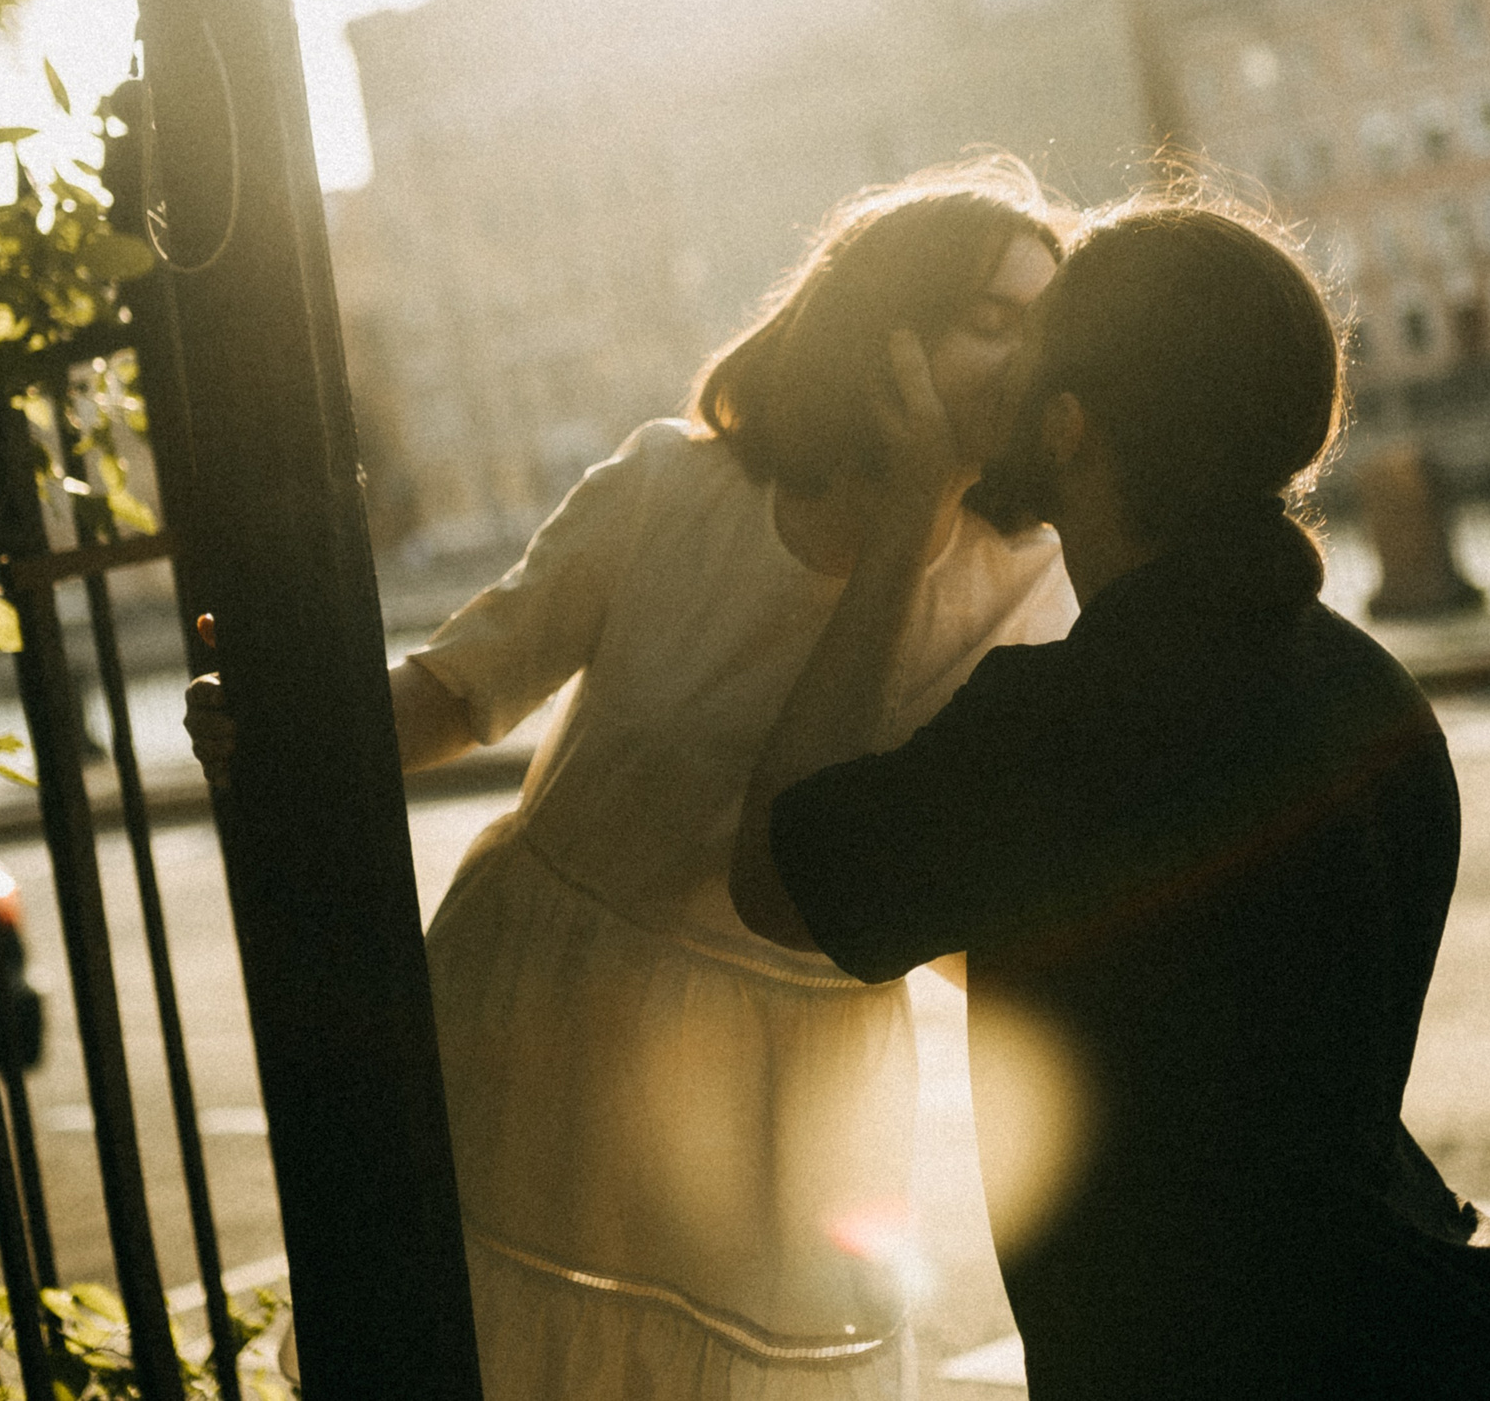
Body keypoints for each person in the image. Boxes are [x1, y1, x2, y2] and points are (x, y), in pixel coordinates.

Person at [188, 159, 1079, 1399]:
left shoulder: (1031, 590)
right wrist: (287, 731)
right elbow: (455, 693)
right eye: (995, 321)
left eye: (1049, 330)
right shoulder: (670, 489)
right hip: (546, 1023)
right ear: (888, 332)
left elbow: (946, 902)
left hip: (795, 1097)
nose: (1031, 359)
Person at [730, 192, 1490, 1398]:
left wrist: (907, 520)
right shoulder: (1370, 689)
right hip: (1440, 1328)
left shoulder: (1066, 723)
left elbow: (777, 876)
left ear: (1071, 428)